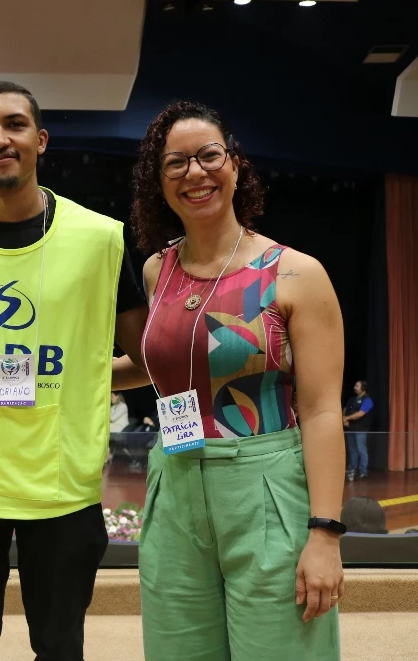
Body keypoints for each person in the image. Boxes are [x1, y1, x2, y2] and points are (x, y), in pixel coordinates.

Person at [0, 81, 148, 660]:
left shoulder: (99, 238)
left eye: (15, 125)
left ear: (40, 140)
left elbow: (146, 358)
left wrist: (84, 380)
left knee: (59, 647)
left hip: (61, 487)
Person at [113, 100, 344, 659]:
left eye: (209, 156)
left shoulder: (295, 273)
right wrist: (61, 376)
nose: (194, 172)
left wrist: (325, 534)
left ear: (236, 165)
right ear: (159, 183)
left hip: (266, 486)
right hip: (174, 486)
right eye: (176, 163)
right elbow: (160, 365)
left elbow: (321, 410)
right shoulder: (157, 270)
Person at [343, 380, 374, 481]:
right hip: (350, 428)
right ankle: (352, 469)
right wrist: (344, 419)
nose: (354, 387)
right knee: (352, 450)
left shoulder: (368, 400)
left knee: (361, 450)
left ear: (363, 388)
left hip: (361, 429)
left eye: (357, 386)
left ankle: (363, 471)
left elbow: (361, 413)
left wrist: (347, 418)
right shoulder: (351, 399)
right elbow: (345, 410)